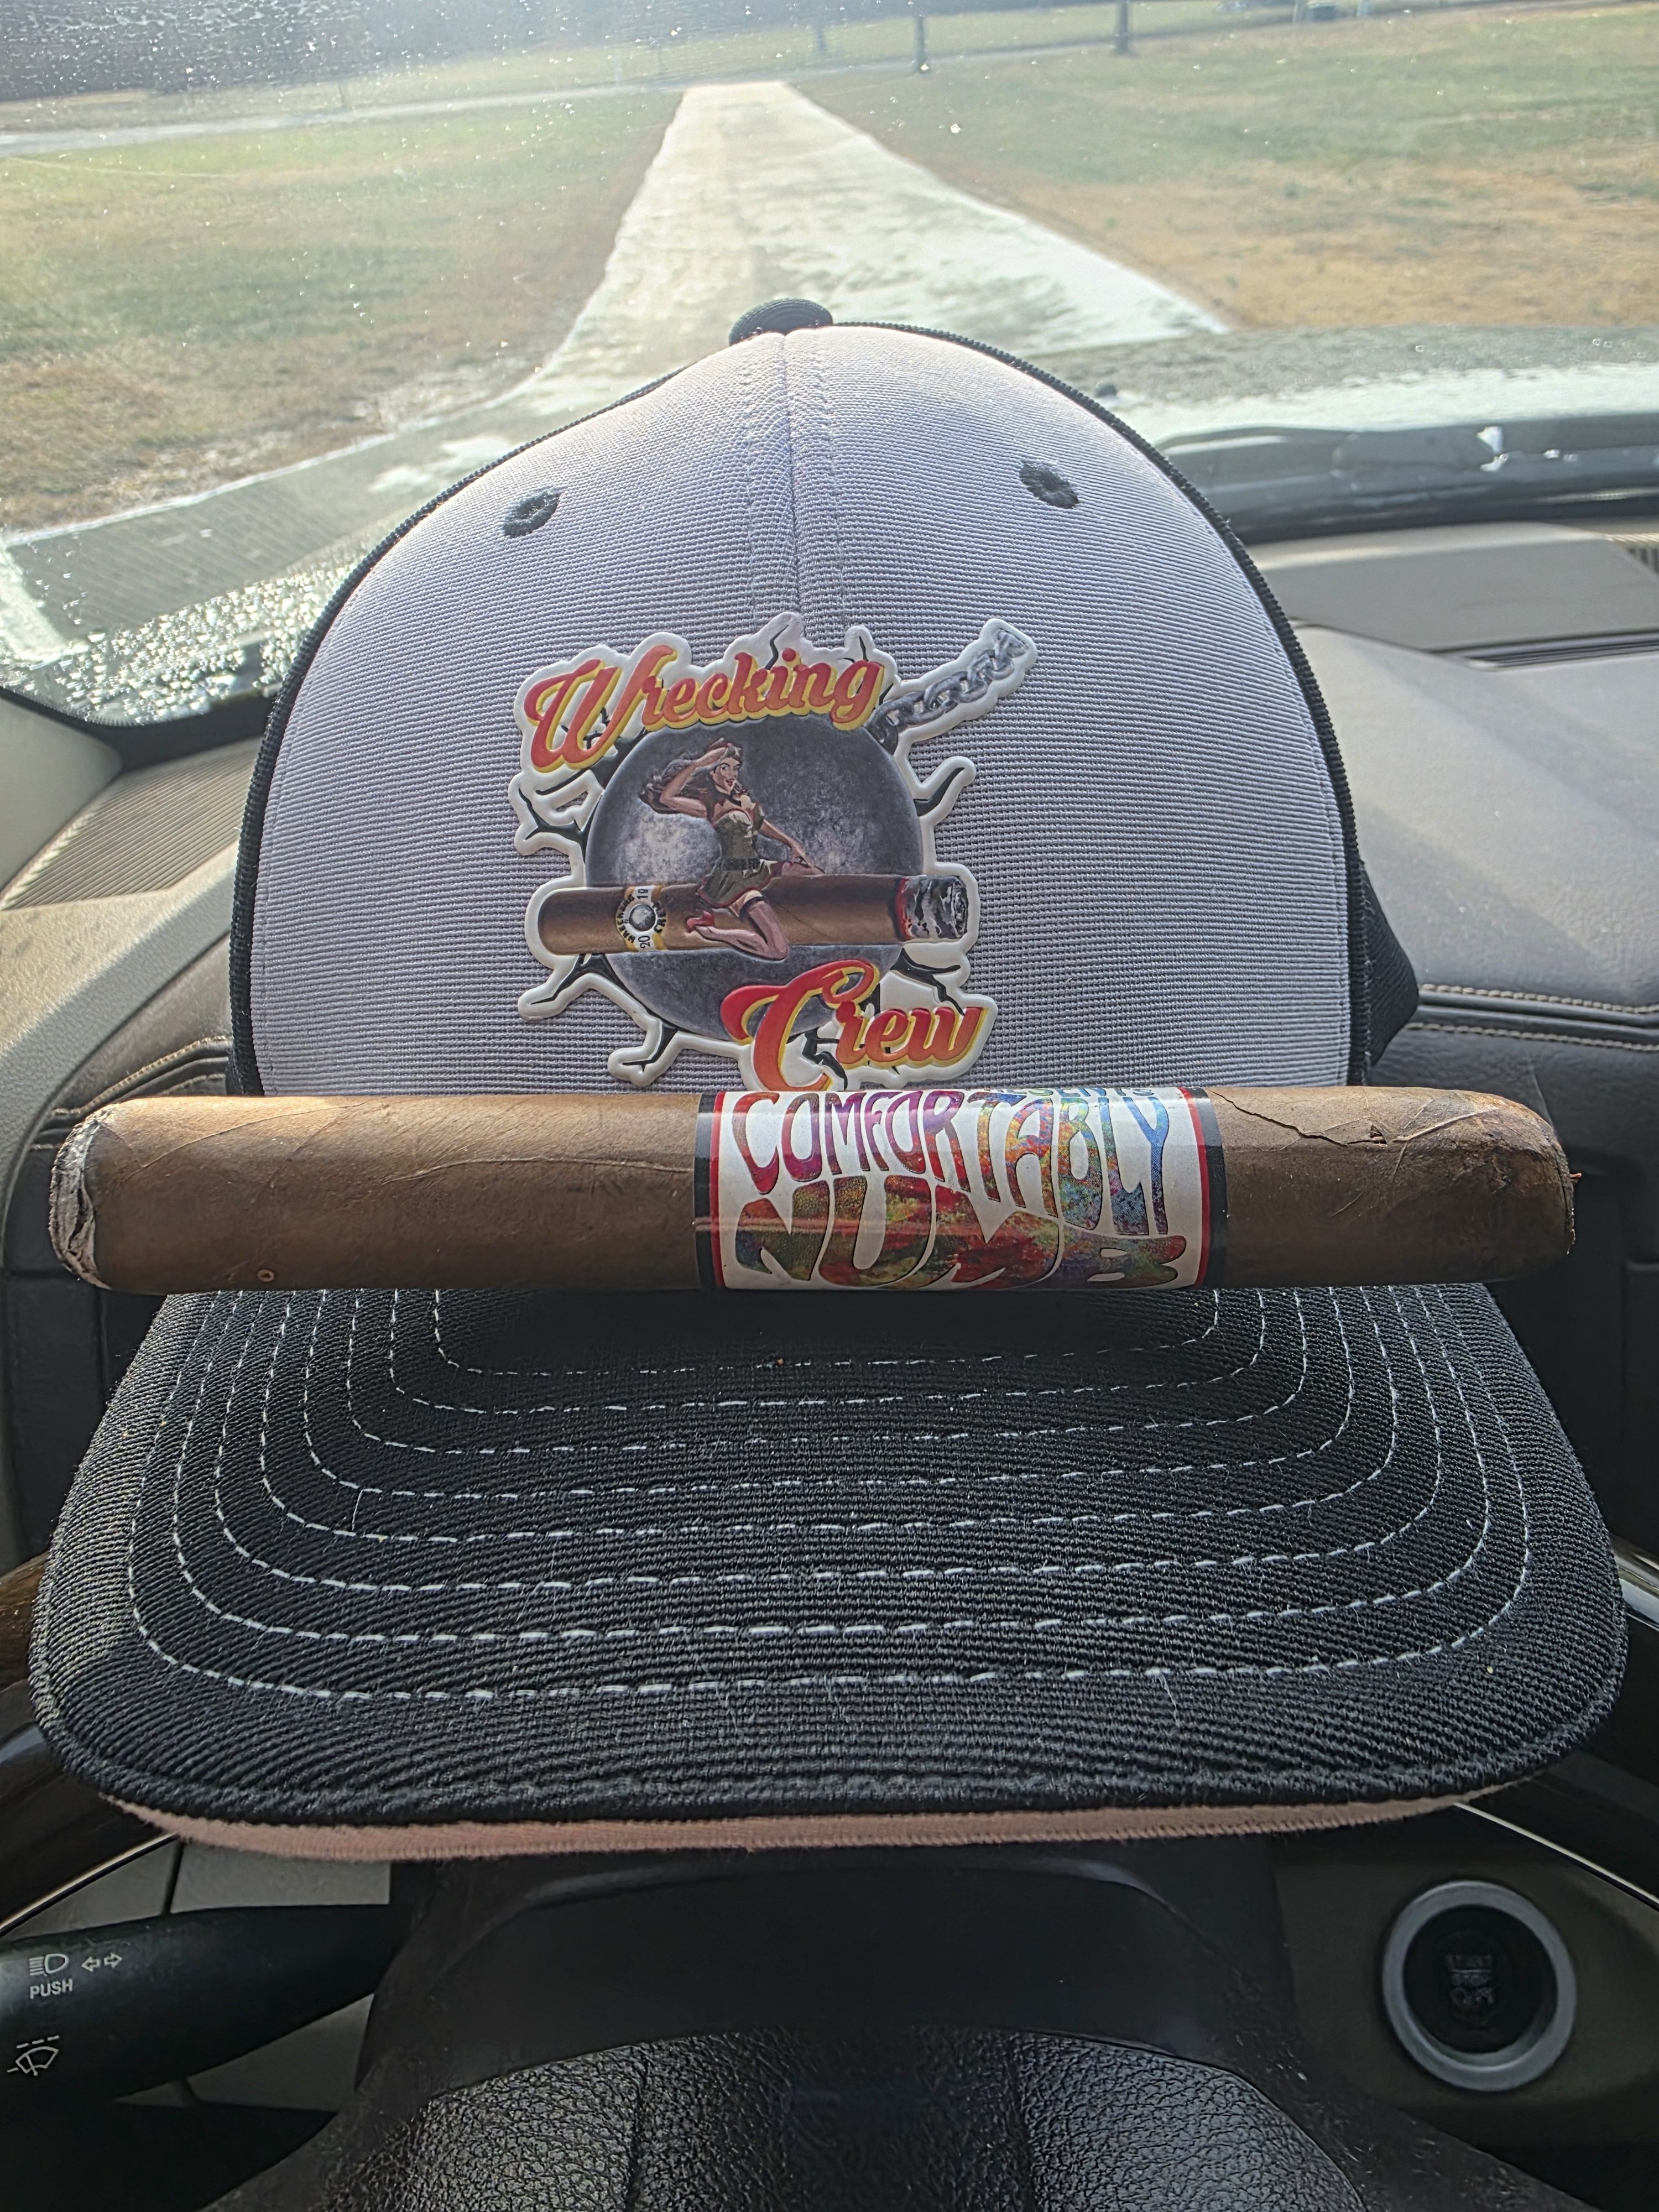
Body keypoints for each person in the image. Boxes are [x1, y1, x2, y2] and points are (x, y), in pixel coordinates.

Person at [643, 741, 820, 959]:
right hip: (735, 881)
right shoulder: (709, 806)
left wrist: (792, 844)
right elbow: (667, 798)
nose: (732, 774)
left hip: (759, 868)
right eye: (725, 768)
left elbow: (761, 825)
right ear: (712, 772)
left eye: (735, 768)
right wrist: (698, 763)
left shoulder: (741, 799)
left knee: (816, 875)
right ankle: (715, 933)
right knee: (777, 950)